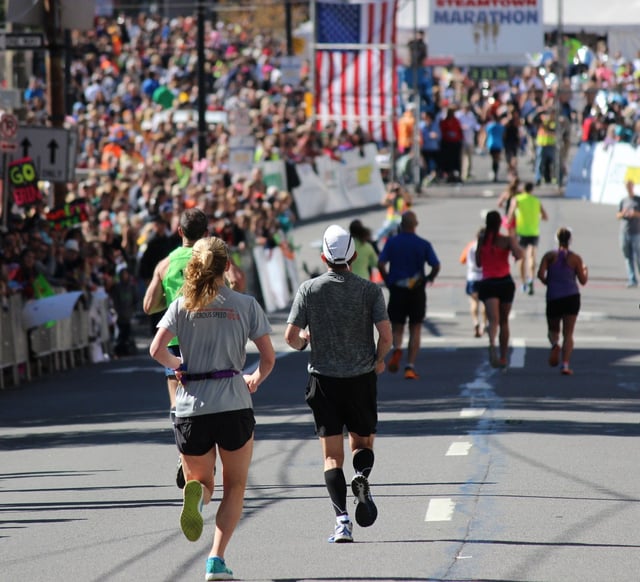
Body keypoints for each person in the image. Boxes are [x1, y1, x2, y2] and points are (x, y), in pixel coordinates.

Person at [149, 236, 275, 580]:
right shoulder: (245, 304)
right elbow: (268, 357)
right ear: (227, 266)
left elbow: (155, 349)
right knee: (235, 487)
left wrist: (178, 365)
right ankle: (216, 559)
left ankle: (199, 497)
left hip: (191, 405)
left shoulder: (181, 304)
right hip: (233, 399)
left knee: (204, 481)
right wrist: (255, 379)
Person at [284, 224, 392, 543]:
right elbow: (386, 336)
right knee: (362, 445)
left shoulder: (309, 289)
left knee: (331, 457)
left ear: (323, 257)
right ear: (354, 256)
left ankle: (342, 522)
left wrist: (305, 339)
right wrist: (379, 359)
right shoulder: (370, 290)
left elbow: (290, 337)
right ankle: (361, 477)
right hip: (360, 378)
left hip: (323, 380)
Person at [143, 208, 209, 487]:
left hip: (175, 342)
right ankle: (205, 461)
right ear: (206, 234)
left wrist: (169, 301)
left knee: (178, 408)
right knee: (209, 401)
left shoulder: (165, 264)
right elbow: (236, 285)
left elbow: (148, 306)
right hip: (206, 338)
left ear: (179, 232)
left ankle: (186, 459)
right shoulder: (210, 259)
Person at [377, 210, 440, 379]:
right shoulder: (423, 244)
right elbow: (436, 265)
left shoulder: (392, 242)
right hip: (416, 289)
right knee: (416, 327)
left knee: (397, 327)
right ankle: (410, 366)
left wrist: (388, 281)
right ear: (415, 225)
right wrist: (429, 278)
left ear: (401, 225)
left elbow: (381, 263)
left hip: (397, 288)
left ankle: (397, 348)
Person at [537, 227, 589, 375]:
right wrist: (585, 271)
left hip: (553, 297)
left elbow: (540, 274)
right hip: (571, 297)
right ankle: (565, 365)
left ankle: (554, 344)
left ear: (557, 239)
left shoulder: (549, 256)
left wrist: (550, 282)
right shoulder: (575, 258)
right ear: (570, 240)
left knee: (553, 330)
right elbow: (583, 281)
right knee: (569, 333)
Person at [476, 210, 523, 369]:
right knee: (504, 321)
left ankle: (491, 344)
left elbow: (478, 263)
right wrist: (513, 245)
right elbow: (519, 255)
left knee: (493, 319)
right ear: (499, 224)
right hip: (504, 281)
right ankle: (503, 356)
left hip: (488, 282)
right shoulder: (506, 240)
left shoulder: (482, 240)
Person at [508, 181, 548, 295]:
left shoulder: (517, 199)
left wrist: (510, 221)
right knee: (532, 257)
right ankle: (531, 279)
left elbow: (510, 216)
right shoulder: (536, 201)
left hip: (521, 232)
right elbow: (545, 216)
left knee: (521, 258)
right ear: (532, 190)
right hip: (534, 232)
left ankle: (524, 282)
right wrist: (537, 216)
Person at [459, 232, 487, 338]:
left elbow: (462, 260)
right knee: (485, 302)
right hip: (484, 277)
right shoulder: (487, 248)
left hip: (473, 277)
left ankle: (475, 321)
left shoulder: (471, 246)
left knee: (474, 302)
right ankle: (484, 324)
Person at [616, 179, 640, 287]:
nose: (628, 188)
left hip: (636, 232)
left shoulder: (637, 200)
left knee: (638, 256)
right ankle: (632, 279)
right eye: (626, 186)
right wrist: (623, 213)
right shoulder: (623, 201)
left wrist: (635, 214)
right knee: (627, 256)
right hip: (624, 232)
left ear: (633, 186)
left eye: (630, 186)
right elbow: (618, 215)